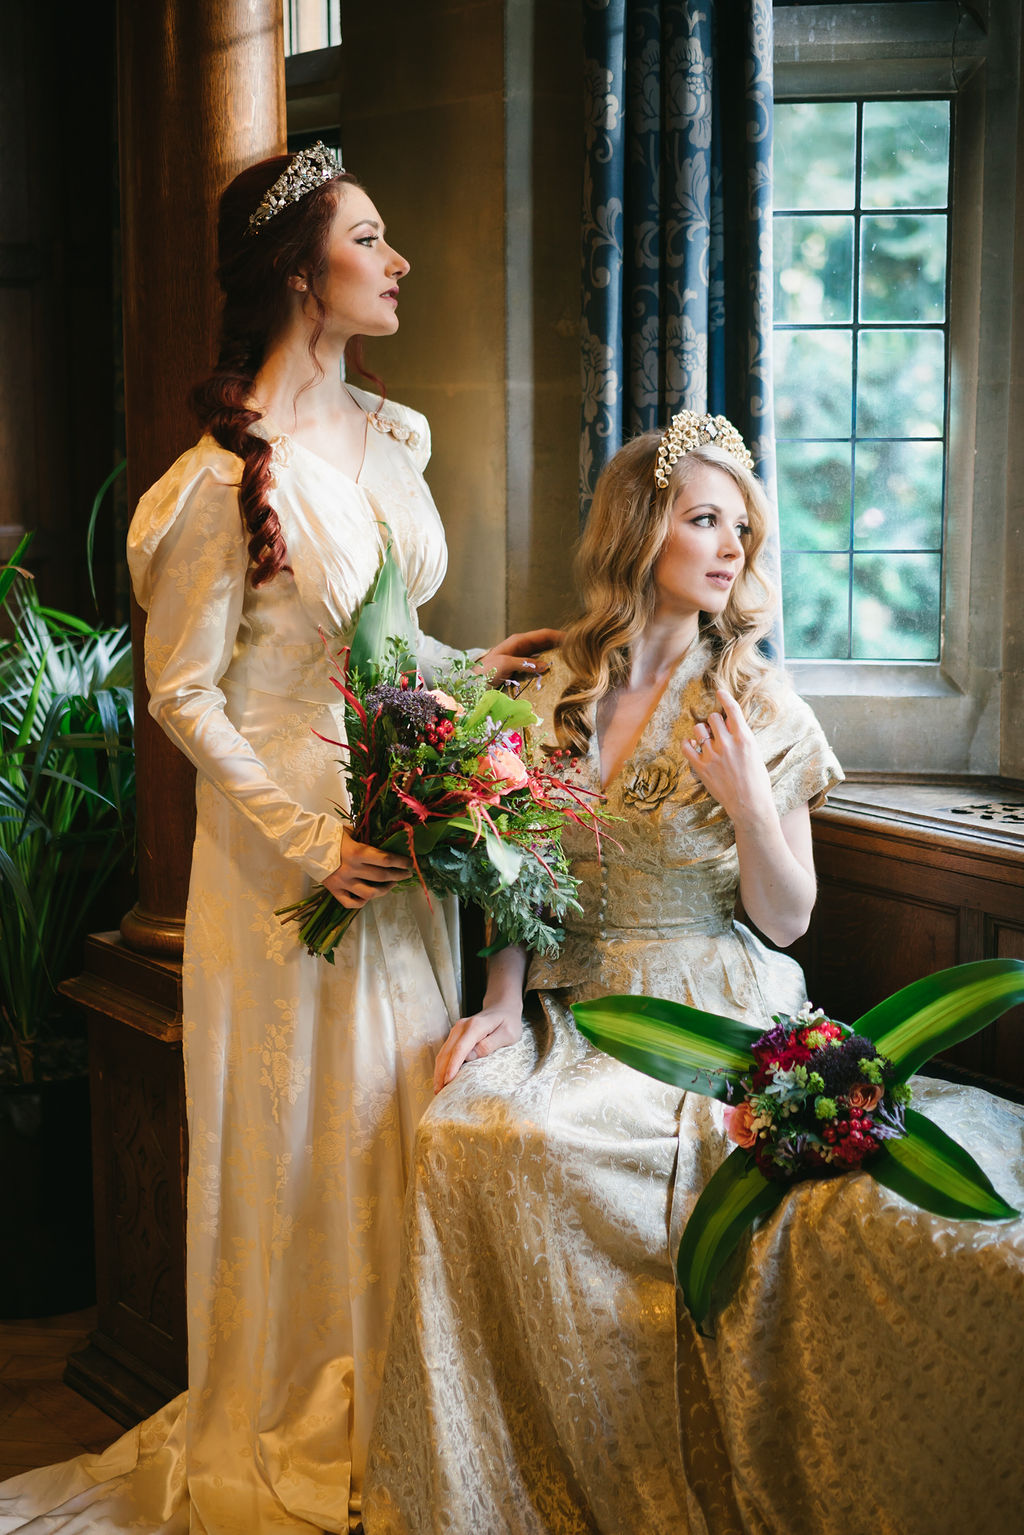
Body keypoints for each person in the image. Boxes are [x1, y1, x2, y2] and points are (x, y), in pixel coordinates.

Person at [0, 145, 558, 1535]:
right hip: (286, 849)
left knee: (392, 1116)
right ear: (303, 272)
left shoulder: (398, 433)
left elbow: (385, 640)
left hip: (401, 824)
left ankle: (399, 1414)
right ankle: (300, 1416)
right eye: (374, 238)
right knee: (305, 1122)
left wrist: (479, 670)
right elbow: (180, 691)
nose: (401, 260)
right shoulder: (212, 479)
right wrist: (306, 839)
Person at [363, 415, 1024, 1535]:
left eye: (742, 527)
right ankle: (502, 1477)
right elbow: (513, 871)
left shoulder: (760, 705)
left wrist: (750, 804)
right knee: (461, 1134)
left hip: (715, 1002)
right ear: (639, 528)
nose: (729, 546)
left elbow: (788, 916)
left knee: (574, 1148)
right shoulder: (550, 688)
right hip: (578, 995)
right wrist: (497, 1001)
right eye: (701, 517)